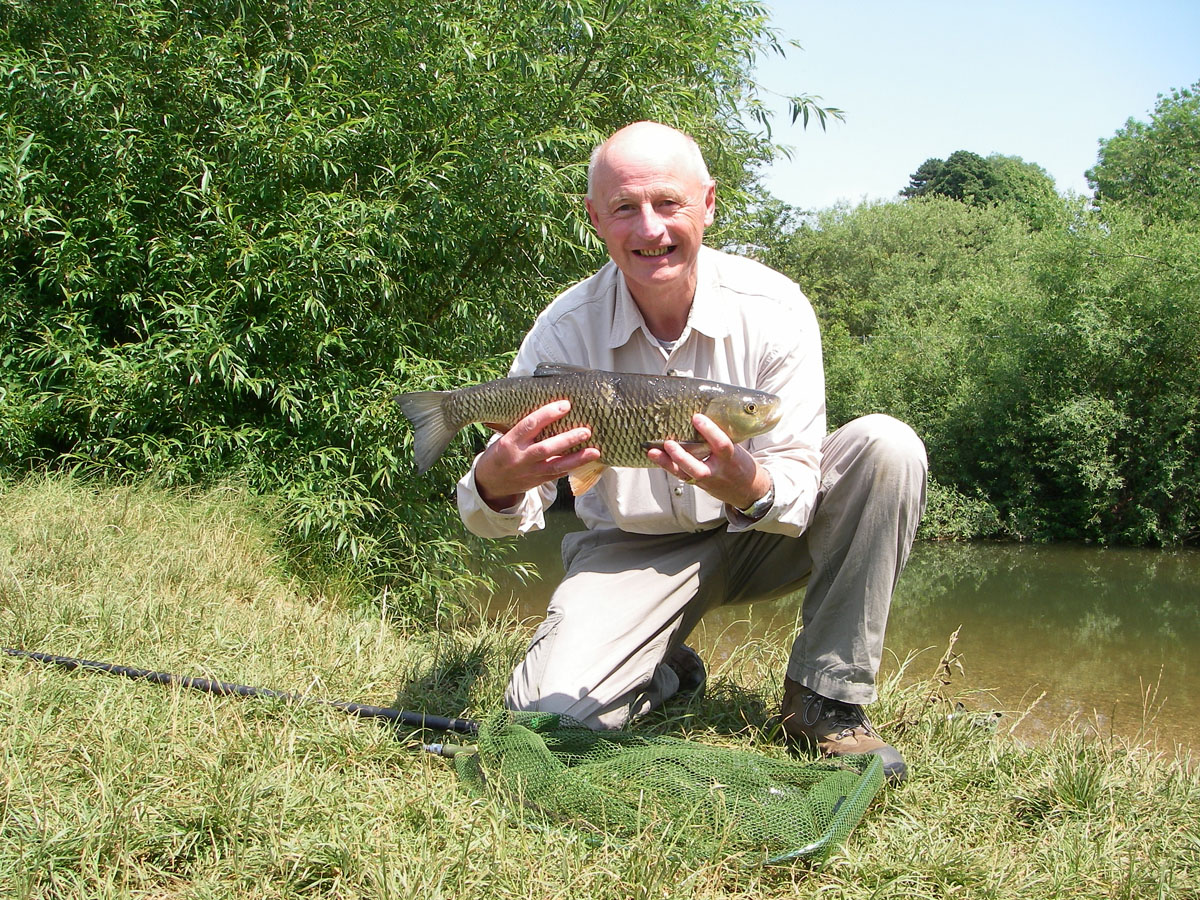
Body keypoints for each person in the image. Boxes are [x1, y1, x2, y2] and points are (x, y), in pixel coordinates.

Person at [456, 121, 927, 782]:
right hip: (633, 549)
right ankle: (665, 667)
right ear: (595, 218)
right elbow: (496, 517)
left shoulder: (776, 308)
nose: (650, 228)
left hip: (764, 537)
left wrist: (748, 487)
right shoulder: (563, 329)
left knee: (887, 447)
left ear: (707, 204)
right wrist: (497, 480)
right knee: (549, 721)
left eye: (668, 202)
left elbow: (798, 475)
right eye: (625, 207)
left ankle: (824, 698)